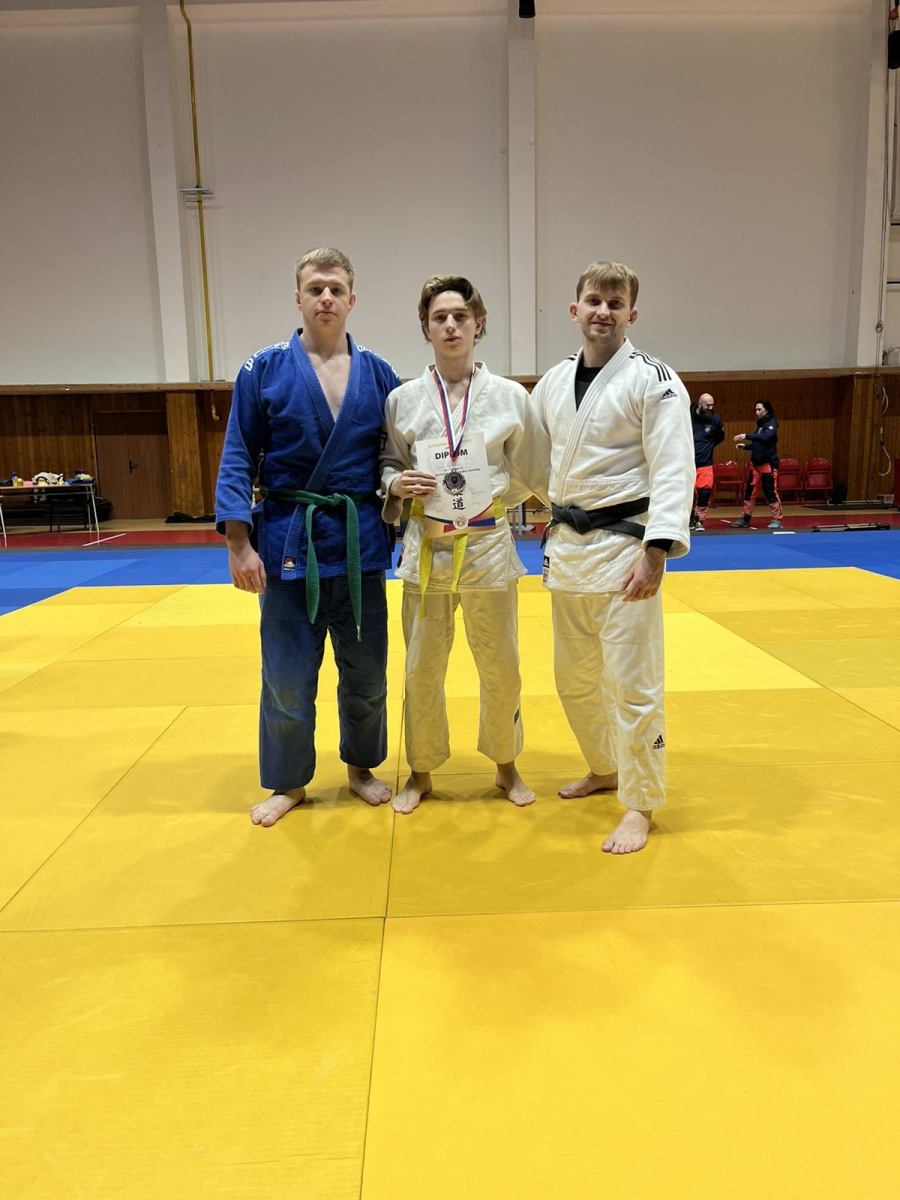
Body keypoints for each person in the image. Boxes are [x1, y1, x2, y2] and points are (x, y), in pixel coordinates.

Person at [215, 247, 402, 826]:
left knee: (367, 675)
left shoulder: (380, 372)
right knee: (287, 677)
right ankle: (289, 782)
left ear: (352, 299)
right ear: (298, 298)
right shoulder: (263, 369)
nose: (326, 297)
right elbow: (238, 454)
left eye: (336, 288)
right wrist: (239, 544)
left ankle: (361, 769)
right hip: (287, 542)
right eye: (315, 288)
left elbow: (397, 457)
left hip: (360, 543)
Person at [532, 260, 693, 854]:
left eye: (615, 302)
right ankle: (604, 767)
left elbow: (674, 466)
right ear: (575, 310)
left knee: (633, 684)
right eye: (594, 301)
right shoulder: (552, 382)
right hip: (568, 552)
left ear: (632, 313)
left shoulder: (655, 380)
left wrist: (657, 550)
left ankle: (641, 802)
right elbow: (532, 458)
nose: (603, 311)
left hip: (626, 549)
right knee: (573, 680)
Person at [380, 275, 549, 815]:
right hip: (426, 547)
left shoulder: (511, 398)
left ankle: (506, 764)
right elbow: (388, 462)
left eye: (460, 316)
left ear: (479, 325)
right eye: (440, 318)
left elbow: (532, 467)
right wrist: (396, 484)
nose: (451, 325)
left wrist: (490, 502)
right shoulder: (402, 400)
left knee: (502, 664)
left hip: (488, 545)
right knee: (421, 668)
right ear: (426, 328)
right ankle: (421, 772)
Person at [730, 400, 783, 530]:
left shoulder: (771, 424)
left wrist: (746, 435)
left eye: (759, 409)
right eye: (756, 410)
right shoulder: (760, 426)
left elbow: (765, 438)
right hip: (756, 466)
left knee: (770, 492)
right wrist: (746, 447)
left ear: (767, 410)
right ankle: (745, 518)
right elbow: (758, 444)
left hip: (768, 465)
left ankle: (777, 519)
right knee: (750, 493)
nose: (757, 412)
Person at [689, 392, 725, 530]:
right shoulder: (688, 416)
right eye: (707, 405)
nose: (710, 408)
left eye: (712, 405)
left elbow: (720, 437)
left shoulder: (715, 420)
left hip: (705, 463)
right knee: (688, 495)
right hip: (688, 464)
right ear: (700, 404)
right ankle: (690, 518)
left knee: (704, 492)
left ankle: (699, 520)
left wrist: (707, 446)